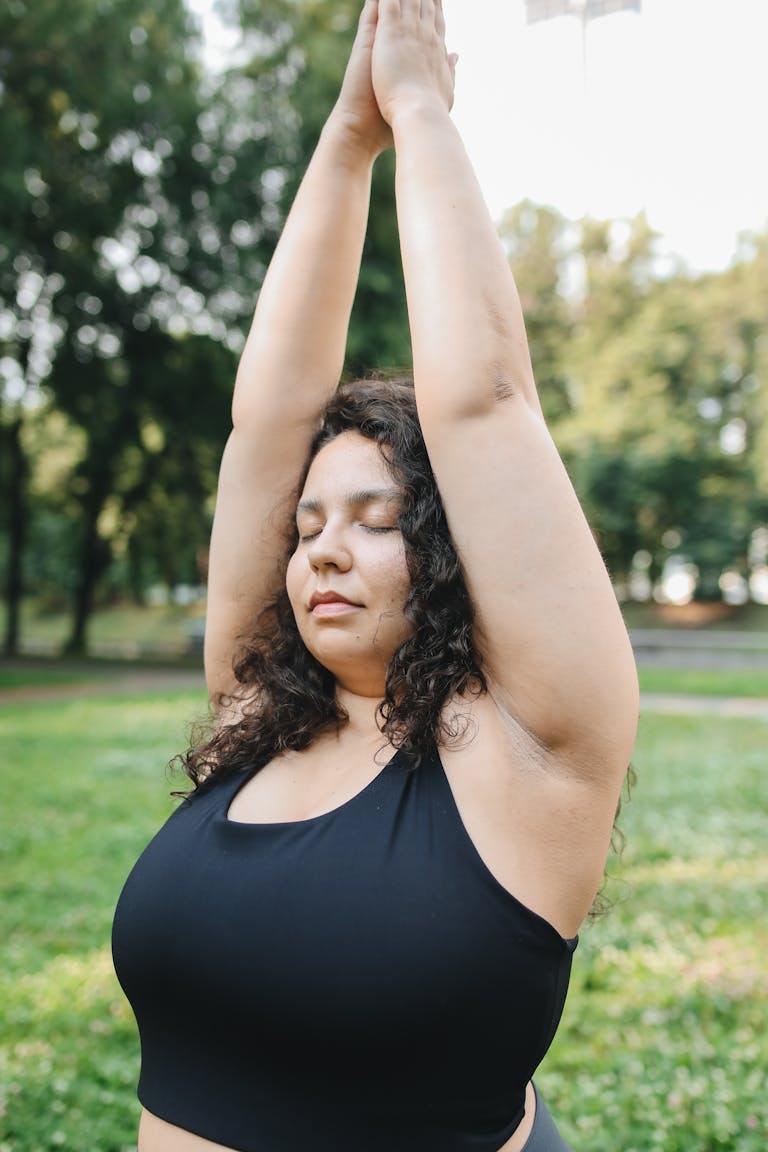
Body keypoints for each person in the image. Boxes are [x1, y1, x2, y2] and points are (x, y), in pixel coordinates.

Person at [112, 2, 639, 1150]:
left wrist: (419, 111)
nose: (320, 551)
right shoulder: (260, 711)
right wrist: (346, 139)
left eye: (374, 518)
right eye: (306, 529)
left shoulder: (532, 752)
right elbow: (266, 422)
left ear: (454, 551)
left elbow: (484, 399)